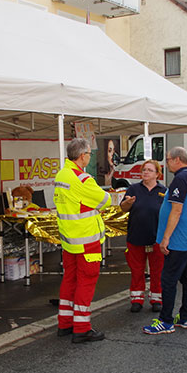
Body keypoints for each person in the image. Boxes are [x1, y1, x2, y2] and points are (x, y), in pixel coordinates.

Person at [54, 138, 111, 343]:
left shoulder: (62, 174)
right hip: (87, 241)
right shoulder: (83, 179)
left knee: (69, 280)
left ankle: (65, 323)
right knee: (86, 283)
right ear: (82, 156)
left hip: (69, 240)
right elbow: (106, 201)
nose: (89, 156)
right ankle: (82, 327)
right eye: (89, 153)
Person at [142, 147, 187, 335]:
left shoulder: (181, 179)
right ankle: (186, 316)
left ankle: (166, 320)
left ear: (177, 160)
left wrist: (166, 237)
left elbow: (176, 210)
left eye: (167, 160)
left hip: (179, 237)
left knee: (168, 279)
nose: (166, 163)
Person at [120, 160, 166, 313]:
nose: (146, 172)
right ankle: (137, 299)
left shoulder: (164, 191)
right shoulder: (133, 189)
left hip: (156, 238)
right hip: (136, 237)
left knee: (157, 270)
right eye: (144, 170)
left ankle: (156, 299)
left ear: (157, 174)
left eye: (150, 170)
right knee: (137, 270)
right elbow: (123, 208)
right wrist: (128, 203)